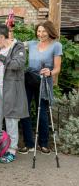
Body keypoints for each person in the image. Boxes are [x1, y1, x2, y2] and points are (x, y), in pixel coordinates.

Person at [0, 24, 29, 163]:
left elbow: (18, 65)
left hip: (11, 89)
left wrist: (0, 56)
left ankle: (11, 150)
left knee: (11, 119)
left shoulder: (17, 47)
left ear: (1, 37)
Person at [19, 21, 62, 155]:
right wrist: (9, 28)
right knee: (24, 111)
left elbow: (57, 68)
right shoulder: (31, 44)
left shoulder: (56, 46)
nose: (41, 34)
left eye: (43, 31)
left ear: (49, 31)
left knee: (42, 112)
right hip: (29, 79)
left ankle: (43, 143)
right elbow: (14, 44)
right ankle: (29, 144)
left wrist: (50, 72)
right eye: (38, 31)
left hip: (44, 80)